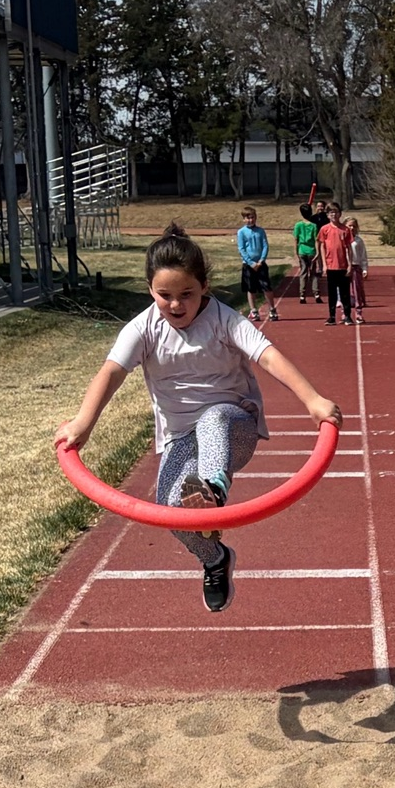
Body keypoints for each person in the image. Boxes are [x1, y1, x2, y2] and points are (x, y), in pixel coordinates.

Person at [55, 224, 342, 613]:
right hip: (179, 438)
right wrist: (83, 423)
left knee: (212, 420)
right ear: (150, 291)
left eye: (186, 295)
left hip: (234, 425)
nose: (176, 305)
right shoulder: (143, 328)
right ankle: (215, 559)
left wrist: (312, 400)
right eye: (165, 296)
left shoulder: (225, 320)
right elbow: (110, 373)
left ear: (204, 286)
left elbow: (268, 355)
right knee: (173, 513)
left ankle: (213, 491)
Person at [237, 206, 278, 321]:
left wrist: (261, 260)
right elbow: (242, 249)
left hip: (261, 264)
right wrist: (251, 263)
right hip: (249, 265)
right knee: (251, 288)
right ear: (244, 219)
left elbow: (265, 245)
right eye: (248, 218)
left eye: (252, 217)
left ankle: (272, 309)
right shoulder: (241, 232)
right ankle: (253, 310)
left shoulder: (260, 231)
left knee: (267, 287)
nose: (251, 220)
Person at [318, 202, 354, 326]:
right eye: (331, 212)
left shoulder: (345, 230)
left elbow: (349, 248)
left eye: (336, 212)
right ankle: (332, 316)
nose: (334, 214)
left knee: (345, 293)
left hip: (343, 265)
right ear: (328, 215)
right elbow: (322, 246)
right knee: (332, 293)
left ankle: (347, 316)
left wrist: (350, 265)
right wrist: (324, 264)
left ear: (340, 214)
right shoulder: (324, 229)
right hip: (330, 266)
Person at [293, 204, 321, 303]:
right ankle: (316, 294)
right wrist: (318, 252)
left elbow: (296, 240)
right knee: (313, 274)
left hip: (302, 251)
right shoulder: (314, 226)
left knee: (303, 273)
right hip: (311, 251)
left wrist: (296, 253)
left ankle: (302, 295)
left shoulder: (298, 225)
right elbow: (316, 240)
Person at [344, 217, 368, 323]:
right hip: (343, 268)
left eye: (354, 225)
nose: (352, 228)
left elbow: (363, 256)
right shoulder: (342, 239)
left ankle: (358, 314)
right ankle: (345, 314)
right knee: (344, 292)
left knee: (357, 292)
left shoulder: (359, 240)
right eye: (349, 225)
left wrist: (364, 269)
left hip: (355, 268)